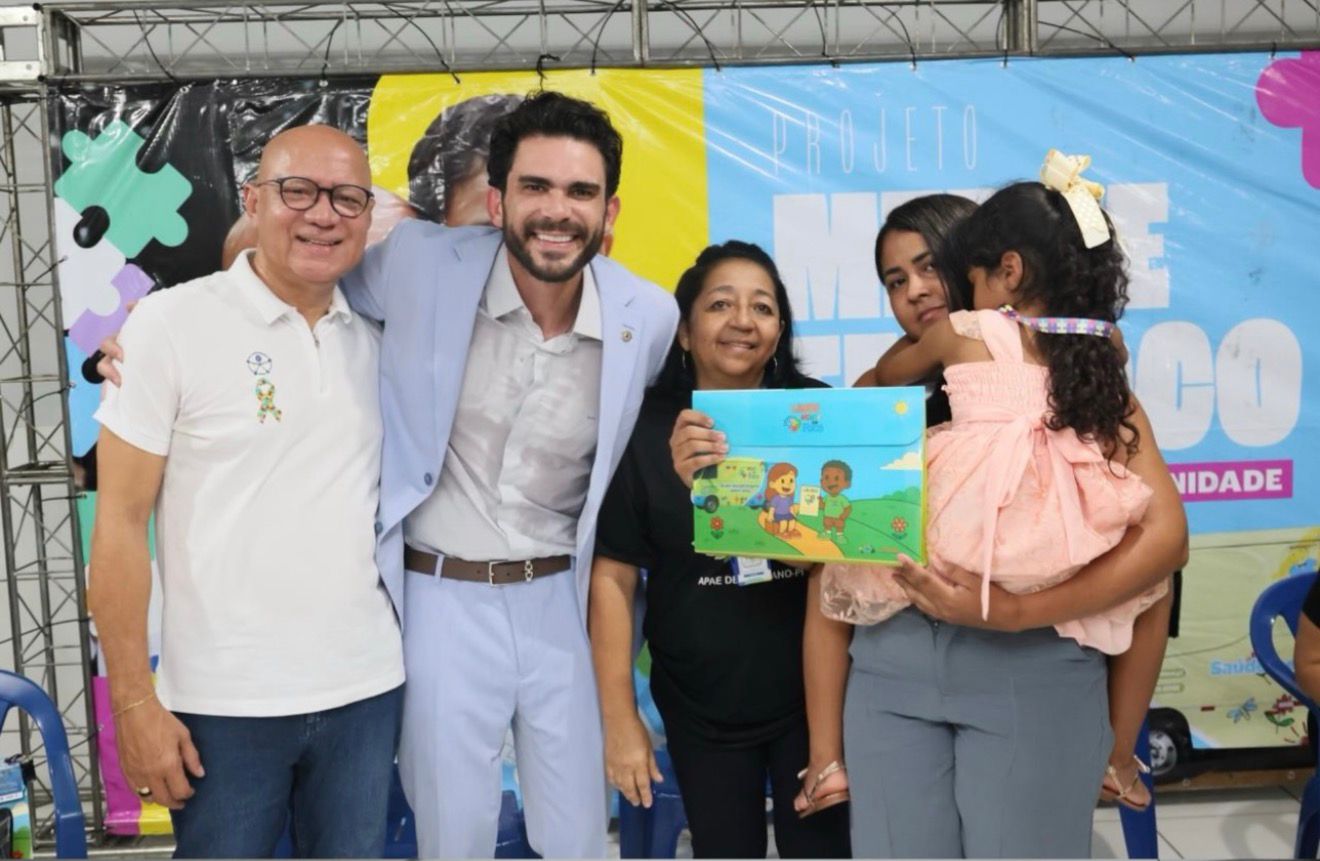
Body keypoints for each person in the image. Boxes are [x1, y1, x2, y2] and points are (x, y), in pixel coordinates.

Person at [341, 91, 678, 858]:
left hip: (565, 599)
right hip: (439, 597)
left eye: (580, 192)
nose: (557, 211)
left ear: (610, 211)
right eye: (537, 187)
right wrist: (187, 325)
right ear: (497, 199)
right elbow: (300, 278)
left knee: (579, 837)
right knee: (452, 835)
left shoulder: (647, 316)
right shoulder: (420, 261)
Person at [87, 125, 405, 858]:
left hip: (365, 690)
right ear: (254, 199)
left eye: (347, 198)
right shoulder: (171, 324)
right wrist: (134, 701)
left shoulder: (385, 336)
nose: (324, 214)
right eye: (300, 191)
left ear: (368, 217)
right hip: (222, 707)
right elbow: (118, 526)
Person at [589, 240, 849, 859]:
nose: (742, 321)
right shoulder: (644, 427)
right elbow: (613, 577)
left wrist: (725, 489)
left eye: (762, 307)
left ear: (779, 329)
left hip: (812, 702)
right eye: (720, 305)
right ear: (683, 331)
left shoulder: (816, 416)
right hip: (699, 704)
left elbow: (837, 558)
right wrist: (620, 716)